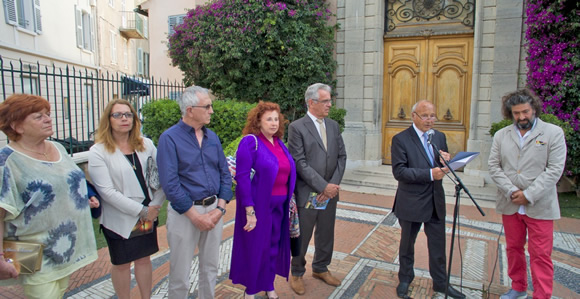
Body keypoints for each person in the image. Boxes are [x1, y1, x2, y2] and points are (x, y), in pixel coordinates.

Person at [0, 94, 98, 298]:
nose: (48, 119)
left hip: (65, 248)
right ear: (17, 126)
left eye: (48, 114)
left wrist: (82, 200)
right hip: (33, 253)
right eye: (38, 116)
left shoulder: (59, 148)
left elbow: (65, 184)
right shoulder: (7, 161)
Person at [488, 89, 566, 299]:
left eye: (525, 112)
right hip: (510, 203)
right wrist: (512, 191)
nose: (522, 117)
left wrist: (529, 194)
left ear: (534, 109)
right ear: (509, 113)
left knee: (540, 254)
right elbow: (494, 167)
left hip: (540, 205)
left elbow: (554, 170)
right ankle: (518, 287)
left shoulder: (553, 133)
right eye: (516, 113)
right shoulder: (501, 135)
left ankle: (542, 295)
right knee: (513, 249)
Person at [157, 86, 232, 299]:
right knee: (180, 273)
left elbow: (225, 175)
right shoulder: (169, 138)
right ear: (190, 110)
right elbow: (170, 184)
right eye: (207, 106)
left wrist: (220, 209)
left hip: (214, 210)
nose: (212, 111)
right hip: (185, 213)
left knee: (210, 268)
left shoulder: (213, 138)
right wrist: (195, 216)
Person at [88, 99, 165, 299]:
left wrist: (155, 205)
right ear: (108, 120)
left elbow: (161, 177)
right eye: (118, 115)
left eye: (128, 114)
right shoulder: (98, 151)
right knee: (121, 263)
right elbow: (107, 192)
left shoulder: (146, 144)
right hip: (119, 218)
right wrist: (143, 210)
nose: (124, 118)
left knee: (143, 259)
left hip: (147, 216)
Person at [391, 100, 465, 299]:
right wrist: (430, 174)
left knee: (438, 245)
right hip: (411, 201)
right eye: (425, 116)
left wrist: (444, 161)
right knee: (407, 244)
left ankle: (441, 283)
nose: (430, 120)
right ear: (414, 116)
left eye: (433, 116)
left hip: (434, 200)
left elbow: (439, 165)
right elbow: (399, 171)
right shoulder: (401, 139)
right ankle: (405, 279)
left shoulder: (438, 137)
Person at [230, 102, 297, 299]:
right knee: (255, 248)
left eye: (276, 119)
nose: (274, 123)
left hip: (280, 206)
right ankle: (250, 289)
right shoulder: (251, 142)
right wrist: (249, 211)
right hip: (259, 206)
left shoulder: (280, 144)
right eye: (269, 119)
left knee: (273, 247)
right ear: (258, 121)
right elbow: (242, 177)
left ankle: (268, 285)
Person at [287, 83, 347, 295]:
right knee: (302, 236)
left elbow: (342, 156)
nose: (330, 104)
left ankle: (321, 268)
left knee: (326, 233)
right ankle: (296, 273)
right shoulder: (297, 127)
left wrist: (332, 186)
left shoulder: (333, 125)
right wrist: (323, 186)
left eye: (330, 100)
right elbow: (299, 162)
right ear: (311, 102)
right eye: (326, 101)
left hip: (330, 192)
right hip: (309, 192)